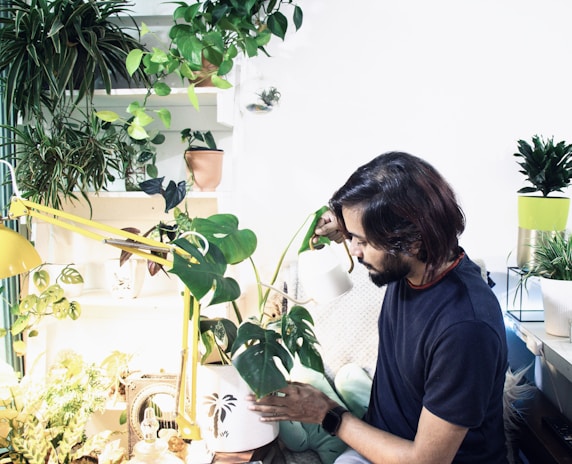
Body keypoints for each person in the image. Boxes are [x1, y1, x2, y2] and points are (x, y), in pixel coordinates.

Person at [248, 152, 509, 464]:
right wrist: (346, 224)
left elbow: (425, 461)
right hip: (380, 444)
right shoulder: (416, 263)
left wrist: (328, 414)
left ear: (410, 240)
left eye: (362, 241)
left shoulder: (465, 327)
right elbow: (383, 201)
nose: (355, 251)